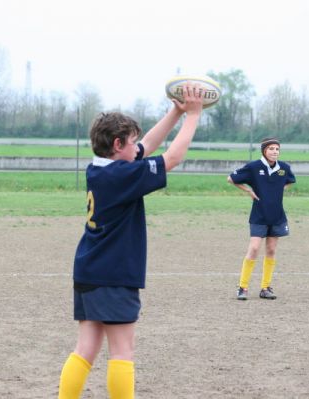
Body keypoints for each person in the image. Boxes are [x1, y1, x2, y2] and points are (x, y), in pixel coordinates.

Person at [58, 83, 204, 399]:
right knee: (123, 350)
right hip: (113, 275)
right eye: (131, 142)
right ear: (117, 144)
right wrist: (193, 116)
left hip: (89, 270)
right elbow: (173, 157)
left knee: (86, 348)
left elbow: (147, 145)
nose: (137, 147)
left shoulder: (100, 169)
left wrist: (175, 112)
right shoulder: (122, 176)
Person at [227, 137, 296, 301]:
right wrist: (249, 191)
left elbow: (290, 181)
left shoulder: (284, 168)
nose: (275, 152)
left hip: (277, 215)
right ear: (264, 151)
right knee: (254, 249)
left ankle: (265, 288)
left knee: (271, 250)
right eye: (271, 149)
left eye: (277, 149)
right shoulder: (254, 167)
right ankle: (242, 287)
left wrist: (279, 190)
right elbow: (231, 179)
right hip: (259, 215)